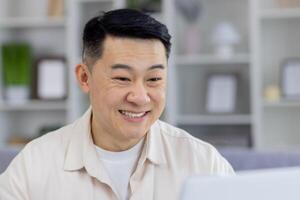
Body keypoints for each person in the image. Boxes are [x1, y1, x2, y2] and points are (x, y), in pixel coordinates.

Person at [0, 9, 234, 200]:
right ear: (84, 77)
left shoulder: (203, 163)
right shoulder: (35, 165)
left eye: (153, 79)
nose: (140, 97)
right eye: (122, 78)